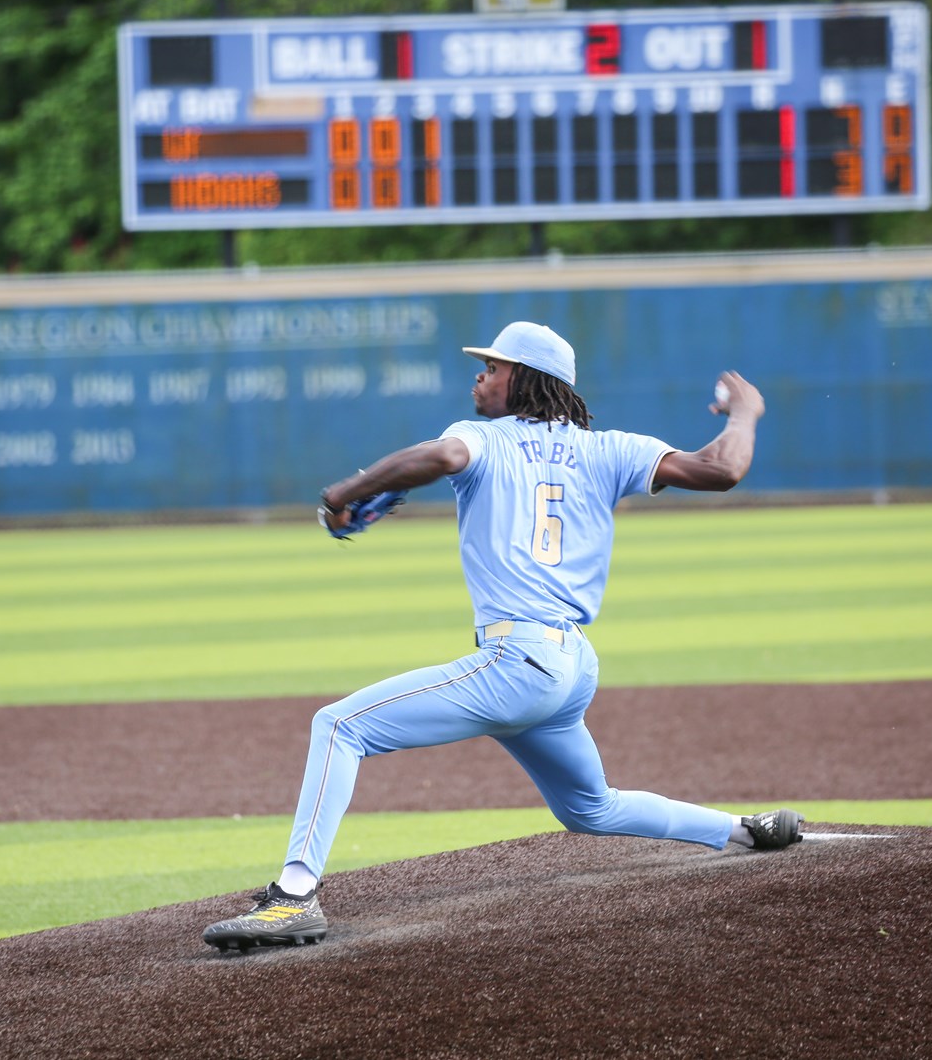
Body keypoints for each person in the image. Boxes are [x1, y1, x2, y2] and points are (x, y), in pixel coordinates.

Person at [203, 321, 802, 952]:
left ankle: (294, 897)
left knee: (339, 726)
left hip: (519, 664)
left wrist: (346, 491)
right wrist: (747, 411)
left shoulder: (479, 439)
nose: (480, 377)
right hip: (572, 667)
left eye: (492, 367)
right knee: (588, 808)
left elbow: (439, 457)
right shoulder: (612, 450)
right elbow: (722, 467)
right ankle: (744, 828)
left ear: (526, 377)